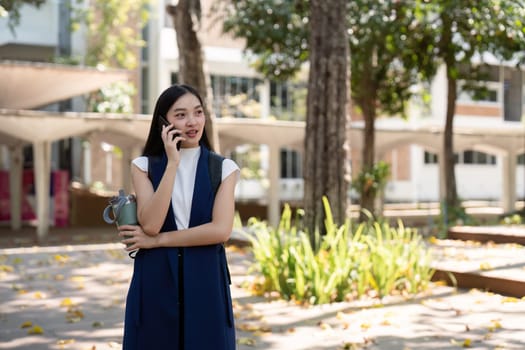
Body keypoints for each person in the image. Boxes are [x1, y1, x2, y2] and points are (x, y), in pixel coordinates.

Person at [117, 84, 239, 349]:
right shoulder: (144, 166)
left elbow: (220, 231)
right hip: (155, 279)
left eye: (197, 112)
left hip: (206, 281)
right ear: (163, 122)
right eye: (180, 115)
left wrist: (158, 241)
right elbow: (150, 224)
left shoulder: (224, 168)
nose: (192, 121)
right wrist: (172, 163)